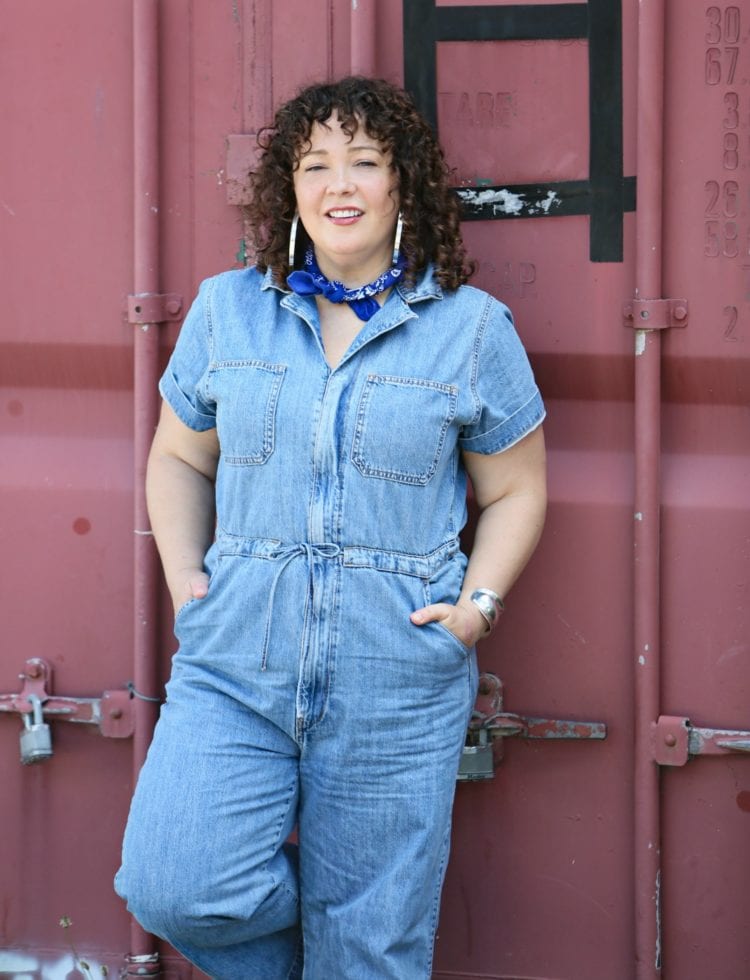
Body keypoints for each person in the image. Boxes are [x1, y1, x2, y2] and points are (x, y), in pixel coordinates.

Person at [115, 75, 546, 979]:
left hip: (396, 677)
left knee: (372, 949)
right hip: (236, 662)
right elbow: (178, 458)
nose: (338, 184)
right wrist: (187, 579)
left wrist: (478, 609)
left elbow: (515, 491)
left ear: (402, 185)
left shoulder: (470, 331)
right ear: (290, 189)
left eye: (363, 162)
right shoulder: (227, 310)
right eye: (315, 165)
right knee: (175, 885)